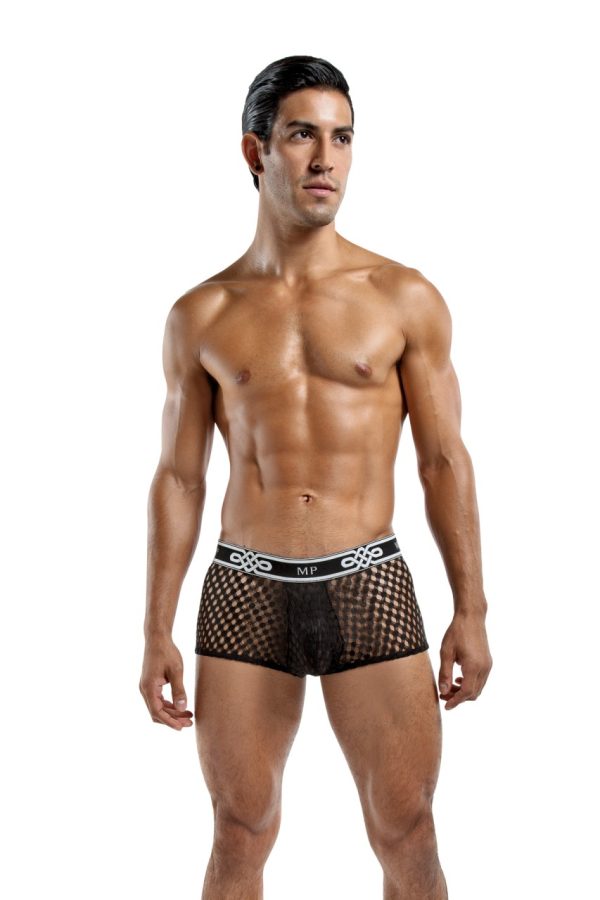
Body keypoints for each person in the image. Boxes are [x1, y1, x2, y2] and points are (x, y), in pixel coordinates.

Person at [139, 54, 493, 900]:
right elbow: (179, 479)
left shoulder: (403, 296)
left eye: (342, 137)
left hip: (368, 582)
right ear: (255, 151)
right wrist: (155, 627)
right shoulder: (202, 313)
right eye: (303, 135)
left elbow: (443, 460)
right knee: (239, 830)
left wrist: (472, 609)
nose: (326, 158)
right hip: (246, 588)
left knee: (407, 830)